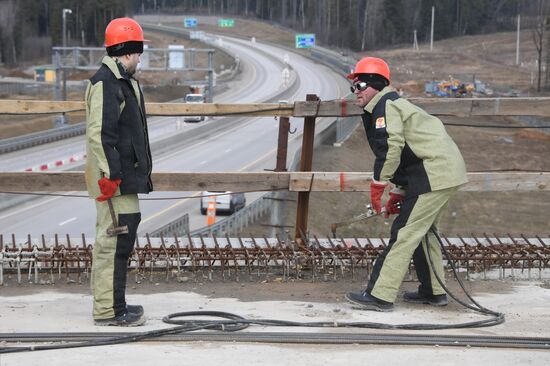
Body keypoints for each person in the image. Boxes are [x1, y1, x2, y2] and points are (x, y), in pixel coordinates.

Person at [344, 57, 468, 312]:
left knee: (404, 233)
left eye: (358, 86)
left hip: (432, 174)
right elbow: (407, 154)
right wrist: (399, 192)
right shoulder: (390, 105)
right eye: (353, 87)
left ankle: (379, 295)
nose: (354, 93)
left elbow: (391, 149)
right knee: (422, 232)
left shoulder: (386, 108)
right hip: (440, 172)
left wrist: (379, 185)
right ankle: (433, 292)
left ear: (374, 85)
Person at [85, 17, 153, 326]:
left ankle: (113, 304)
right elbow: (100, 134)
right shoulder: (106, 83)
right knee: (113, 242)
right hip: (113, 181)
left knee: (119, 241)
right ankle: (109, 312)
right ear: (127, 51)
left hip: (122, 179)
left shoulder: (121, 81)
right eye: (138, 52)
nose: (140, 58)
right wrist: (110, 177)